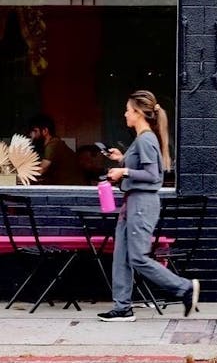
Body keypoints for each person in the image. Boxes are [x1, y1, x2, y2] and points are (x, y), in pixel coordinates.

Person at [97, 90, 199, 323]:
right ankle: (122, 308)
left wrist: (124, 171)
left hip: (142, 204)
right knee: (121, 257)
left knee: (138, 258)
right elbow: (142, 167)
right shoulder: (142, 139)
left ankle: (184, 287)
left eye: (128, 110)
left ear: (138, 113)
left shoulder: (145, 139)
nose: (125, 114)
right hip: (132, 203)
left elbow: (153, 175)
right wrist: (121, 159)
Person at [27, 113, 85, 186]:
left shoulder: (53, 145)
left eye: (35, 131)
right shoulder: (53, 143)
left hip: (71, 188)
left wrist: (20, 177)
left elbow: (41, 170)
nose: (32, 135)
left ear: (45, 131)